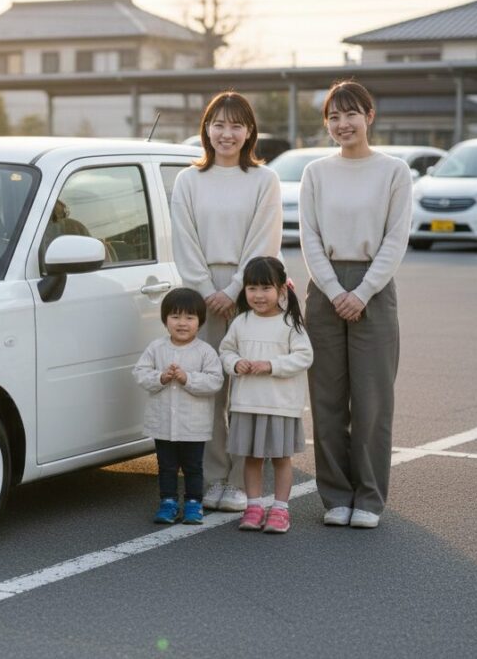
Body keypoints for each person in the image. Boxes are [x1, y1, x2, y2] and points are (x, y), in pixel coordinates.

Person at [298, 80, 412, 529]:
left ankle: (368, 496)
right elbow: (308, 238)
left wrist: (361, 292)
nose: (342, 124)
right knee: (326, 398)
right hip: (324, 289)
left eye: (350, 114)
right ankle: (336, 495)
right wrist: (333, 291)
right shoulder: (316, 172)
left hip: (374, 287)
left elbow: (396, 238)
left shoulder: (394, 171)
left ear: (369, 115)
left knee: (372, 399)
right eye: (333, 116)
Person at [170, 91, 282, 512]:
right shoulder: (188, 180)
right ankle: (213, 475)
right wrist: (205, 290)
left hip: (252, 290)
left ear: (250, 131)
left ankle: (239, 480)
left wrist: (235, 290)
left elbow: (264, 238)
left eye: (236, 125)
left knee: (245, 389)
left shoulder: (263, 180)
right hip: (201, 292)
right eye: (218, 124)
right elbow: (184, 239)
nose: (226, 133)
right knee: (209, 388)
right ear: (206, 129)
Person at [217, 257, 312, 534]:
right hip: (247, 403)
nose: (258, 295)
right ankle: (254, 505)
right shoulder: (240, 322)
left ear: (282, 289)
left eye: (266, 288)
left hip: (280, 405)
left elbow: (305, 356)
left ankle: (281, 509)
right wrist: (235, 363)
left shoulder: (290, 323)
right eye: (252, 288)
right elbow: (226, 351)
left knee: (281, 458)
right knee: (251, 457)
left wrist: (271, 366)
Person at [132, 288, 225, 525]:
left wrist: (187, 379)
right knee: (166, 466)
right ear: (165, 320)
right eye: (175, 317)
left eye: (189, 317)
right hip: (162, 423)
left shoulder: (205, 351)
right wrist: (160, 378)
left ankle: (194, 503)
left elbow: (215, 380)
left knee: (193, 467)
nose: (182, 323)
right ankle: (168, 503)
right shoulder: (156, 348)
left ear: (200, 322)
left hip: (193, 424)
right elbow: (140, 373)